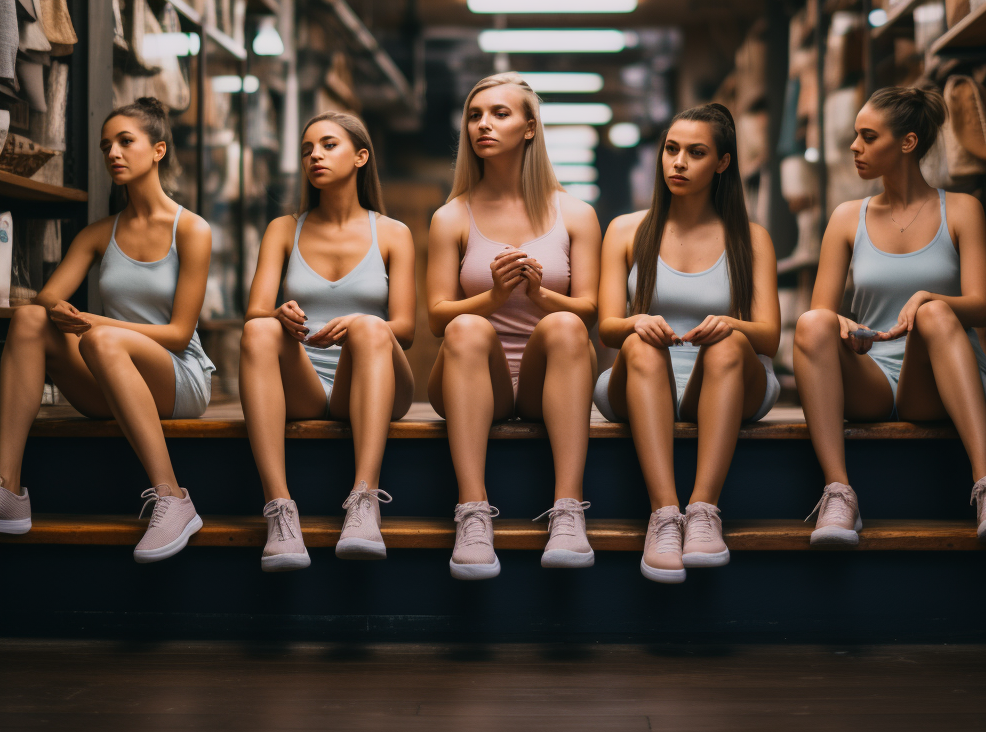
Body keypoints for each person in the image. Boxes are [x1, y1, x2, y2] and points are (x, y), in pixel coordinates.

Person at [794, 86, 986, 545]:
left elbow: (980, 304)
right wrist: (843, 325)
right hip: (873, 377)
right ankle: (839, 492)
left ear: (907, 142)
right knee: (811, 322)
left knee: (937, 313)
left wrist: (925, 299)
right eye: (856, 136)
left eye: (867, 136)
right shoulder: (846, 217)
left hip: (941, 376)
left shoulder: (961, 209)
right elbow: (821, 309)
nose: (854, 147)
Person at [0, 97, 213, 562]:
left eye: (125, 141)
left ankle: (172, 497)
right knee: (29, 319)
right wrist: (65, 314)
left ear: (158, 150)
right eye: (105, 146)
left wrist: (95, 323)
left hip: (178, 376)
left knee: (101, 337)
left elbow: (179, 334)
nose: (112, 153)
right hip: (110, 372)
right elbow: (45, 300)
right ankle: (7, 489)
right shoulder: (99, 233)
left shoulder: (191, 229)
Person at [426, 73, 602, 579]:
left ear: (529, 127)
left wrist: (540, 293)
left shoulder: (575, 212)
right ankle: (473, 512)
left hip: (551, 374)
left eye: (499, 114)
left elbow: (590, 309)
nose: (483, 124)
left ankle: (568, 509)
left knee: (567, 324)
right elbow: (437, 315)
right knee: (465, 329)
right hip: (477, 375)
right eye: (475, 115)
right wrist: (494, 297)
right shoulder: (451, 216)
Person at [596, 104, 781, 583]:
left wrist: (730, 326)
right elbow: (607, 326)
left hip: (722, 380)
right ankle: (663, 515)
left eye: (695, 153)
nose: (678, 162)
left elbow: (769, 337)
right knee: (637, 342)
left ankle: (703, 511)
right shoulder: (625, 229)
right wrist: (639, 321)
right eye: (671, 150)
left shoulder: (751, 238)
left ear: (722, 163)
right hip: (640, 378)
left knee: (728, 343)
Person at [240, 112, 415, 571]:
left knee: (373, 327)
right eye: (307, 149)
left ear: (361, 157)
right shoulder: (284, 228)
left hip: (372, 380)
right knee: (258, 329)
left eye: (328, 145)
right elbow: (256, 311)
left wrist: (359, 321)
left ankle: (363, 500)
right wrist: (277, 312)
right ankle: (279, 508)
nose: (314, 154)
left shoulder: (393, 233)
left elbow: (406, 329)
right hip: (306, 383)